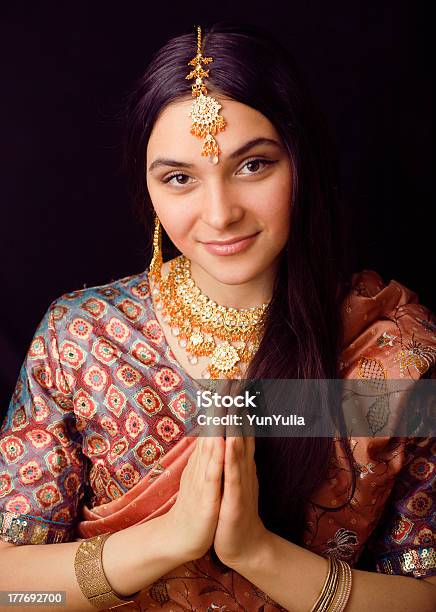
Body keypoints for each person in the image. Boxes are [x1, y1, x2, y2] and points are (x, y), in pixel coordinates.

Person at [0, 21, 435, 612]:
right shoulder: (83, 337)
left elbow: (424, 596)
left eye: (253, 166)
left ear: (300, 165)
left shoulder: (391, 345)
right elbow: (15, 592)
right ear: (149, 190)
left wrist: (259, 553)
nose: (220, 212)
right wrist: (166, 539)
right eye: (180, 178)